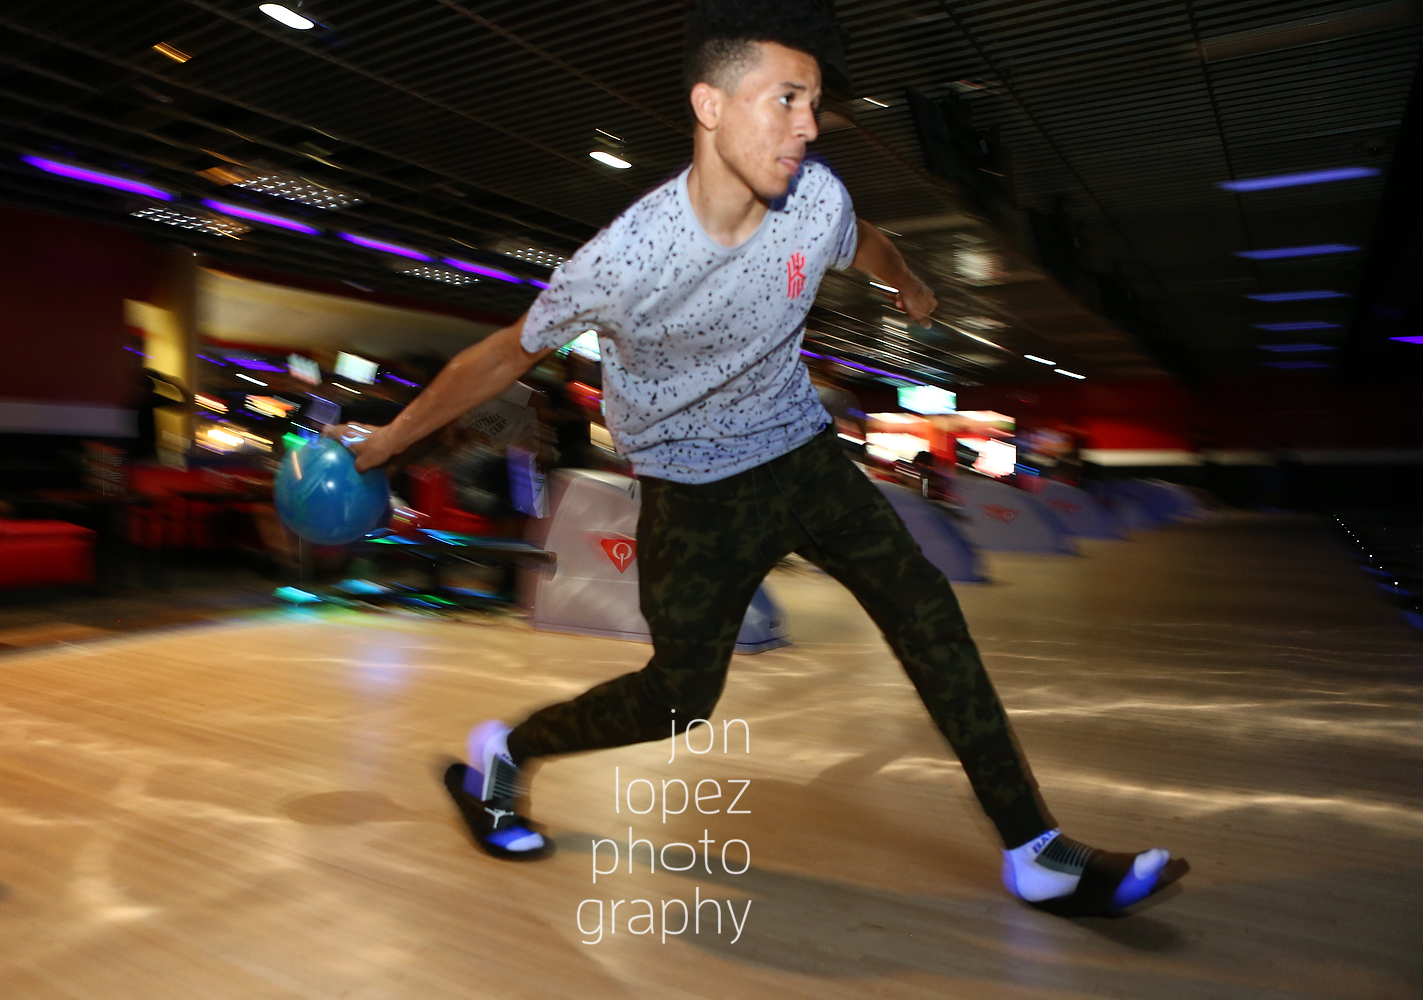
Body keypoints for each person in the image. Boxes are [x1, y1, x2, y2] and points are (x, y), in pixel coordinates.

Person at [337, 0, 1187, 917]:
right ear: (711, 105)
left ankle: (1036, 851)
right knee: (679, 698)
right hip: (690, 493)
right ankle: (506, 752)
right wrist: (379, 448)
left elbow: (863, 243)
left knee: (926, 611)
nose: (808, 125)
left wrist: (909, 280)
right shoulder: (625, 259)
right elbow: (503, 355)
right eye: (785, 99)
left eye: (814, 102)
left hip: (802, 459)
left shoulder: (815, 198)